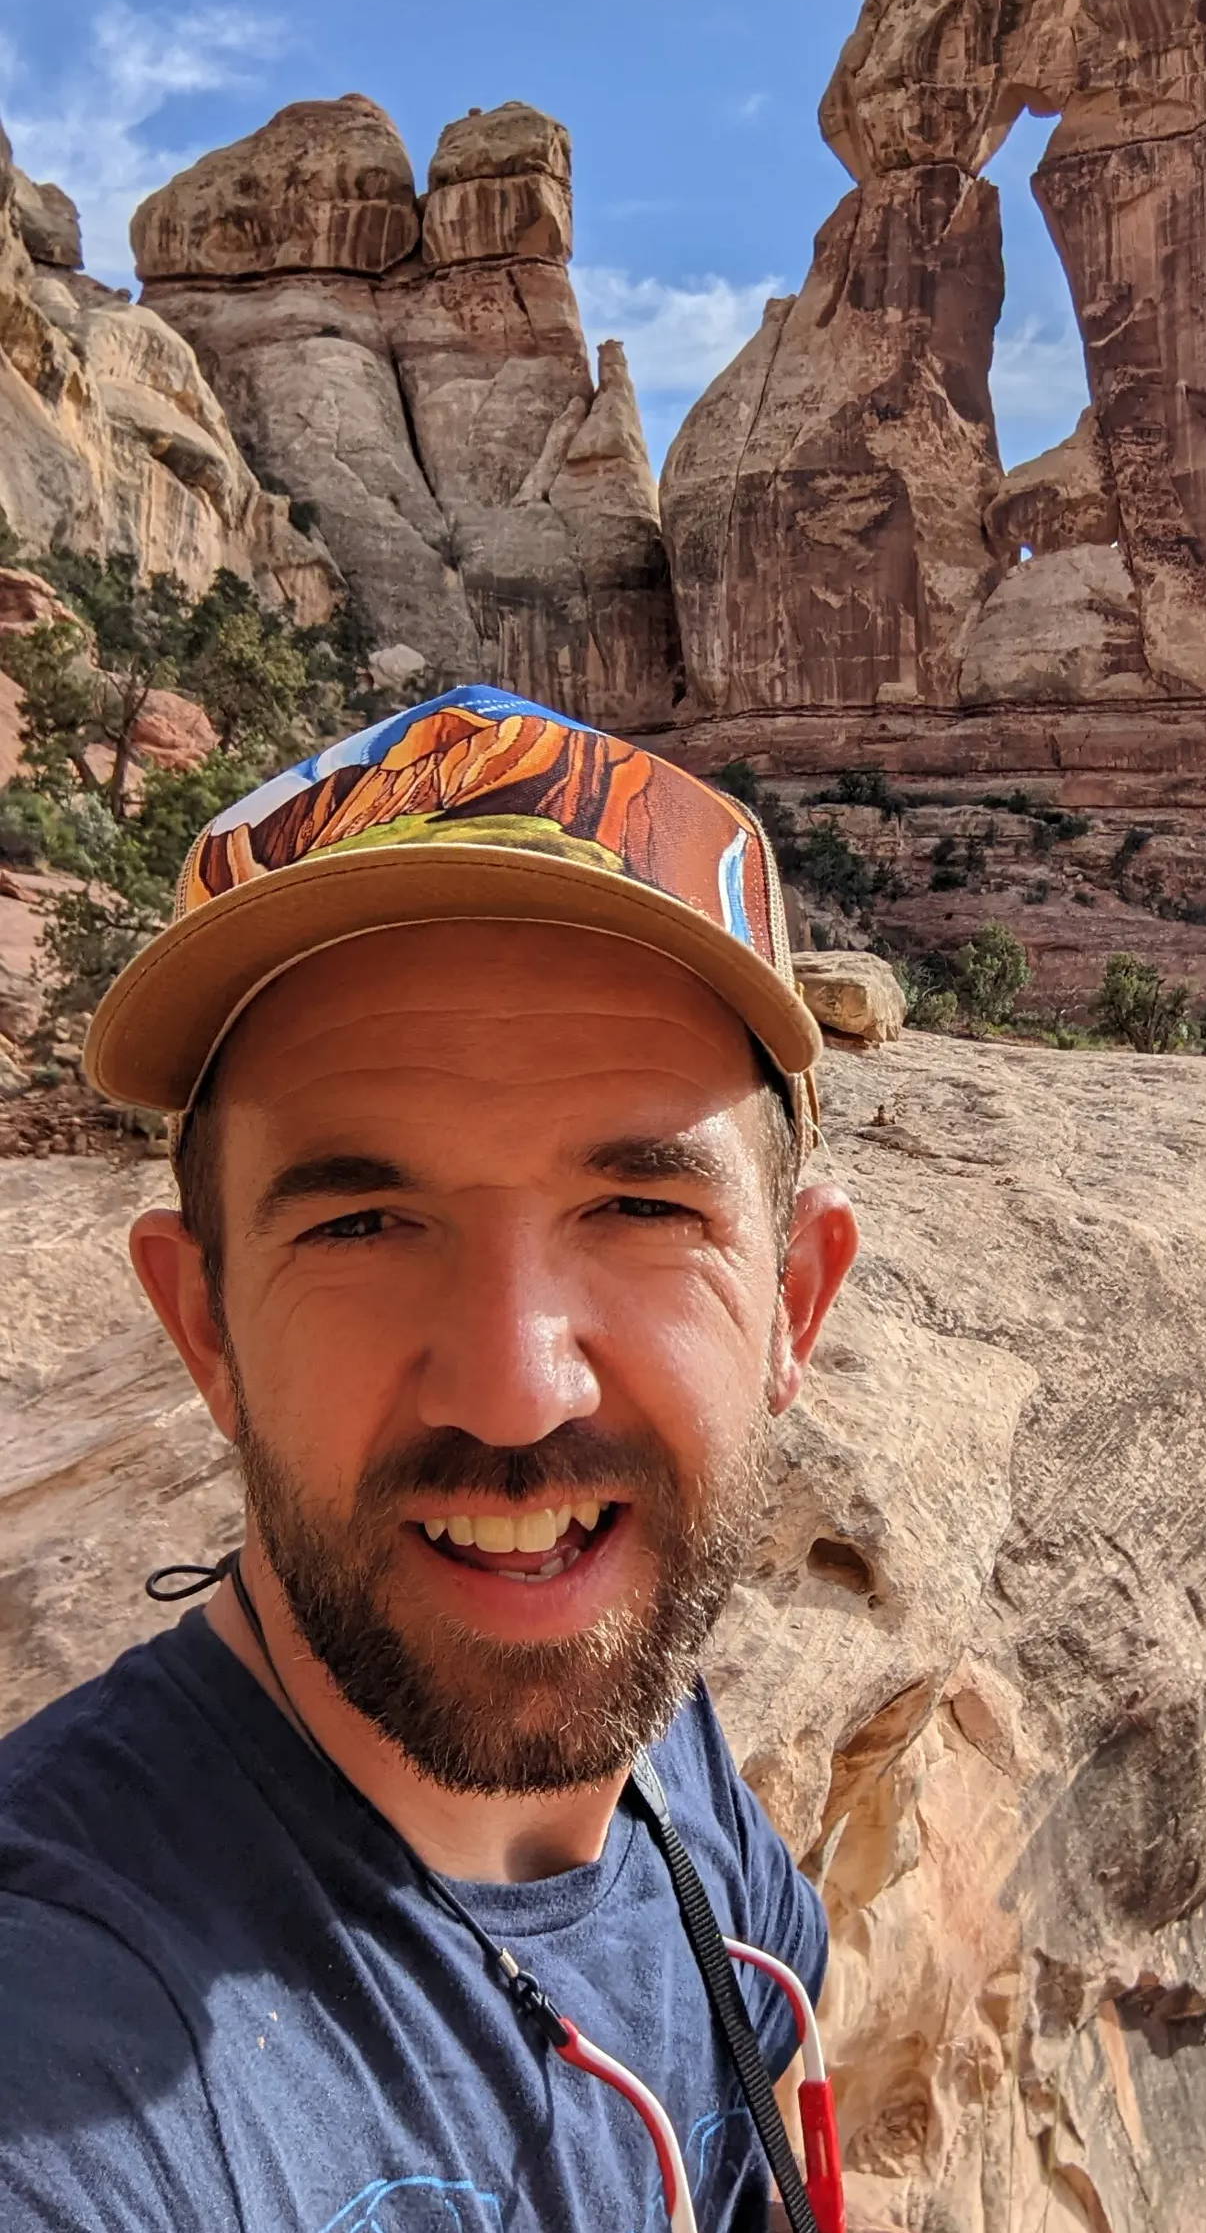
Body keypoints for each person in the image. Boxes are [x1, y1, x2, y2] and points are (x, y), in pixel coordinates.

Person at [0, 685, 860, 2232]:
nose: (515, 1392)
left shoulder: (683, 1785)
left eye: (642, 1210)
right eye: (362, 1224)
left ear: (794, 1301)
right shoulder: (67, 2033)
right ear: (205, 1330)